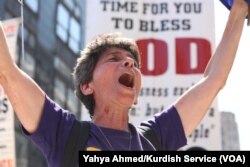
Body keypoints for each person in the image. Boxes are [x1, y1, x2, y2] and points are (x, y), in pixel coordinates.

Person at [0, 0, 248, 166]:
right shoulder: (63, 133)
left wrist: (238, 8)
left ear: (137, 95)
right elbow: (6, 72)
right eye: (114, 59)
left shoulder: (155, 138)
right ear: (87, 85)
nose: (129, 64)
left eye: (134, 63)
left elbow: (213, 80)